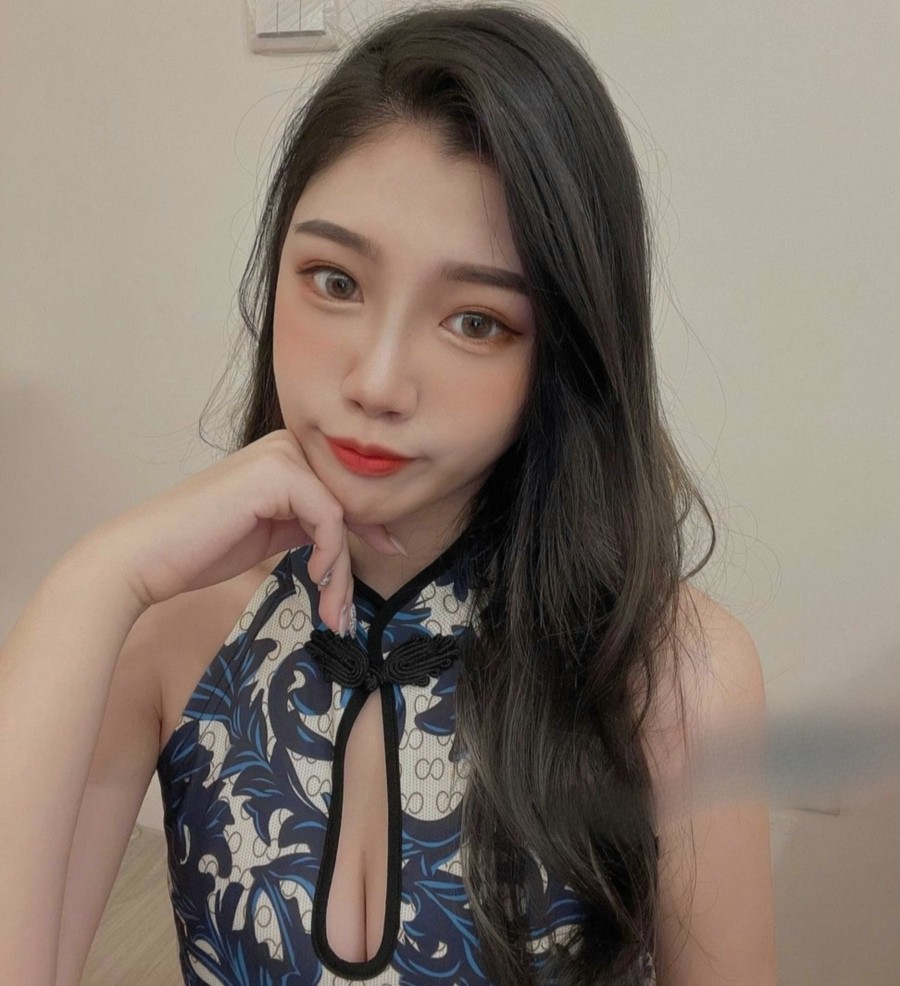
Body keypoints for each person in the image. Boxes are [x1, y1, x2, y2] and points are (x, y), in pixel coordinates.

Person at [0, 4, 776, 984]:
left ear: (564, 353)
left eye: (476, 321)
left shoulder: (671, 672)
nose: (375, 381)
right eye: (334, 280)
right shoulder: (168, 630)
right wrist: (97, 579)